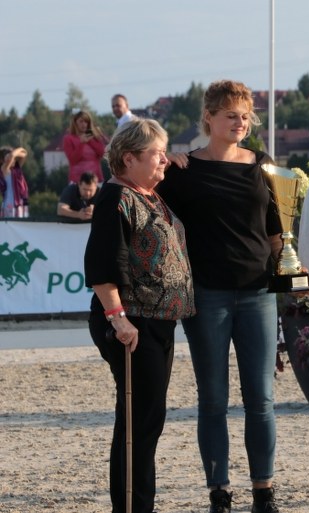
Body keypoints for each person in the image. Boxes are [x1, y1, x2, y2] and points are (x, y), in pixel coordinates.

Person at [157, 79, 285, 513]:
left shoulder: (263, 166)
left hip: (258, 294)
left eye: (245, 116)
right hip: (206, 296)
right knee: (213, 399)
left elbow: (276, 232)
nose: (240, 122)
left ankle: (264, 492)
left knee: (261, 400)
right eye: (231, 115)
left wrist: (290, 273)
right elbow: (140, 193)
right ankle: (220, 492)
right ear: (208, 118)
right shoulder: (182, 171)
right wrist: (164, 162)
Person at [85, 119, 195, 513]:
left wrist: (173, 160)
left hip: (157, 322)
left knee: (147, 421)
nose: (164, 159)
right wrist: (119, 319)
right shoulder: (116, 197)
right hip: (132, 324)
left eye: (165, 152)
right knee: (139, 424)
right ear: (129, 158)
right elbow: (102, 265)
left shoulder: (148, 194)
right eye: (156, 154)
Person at [63, 111, 107, 183]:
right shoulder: (68, 139)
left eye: (86, 122)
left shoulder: (95, 137)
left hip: (95, 178)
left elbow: (102, 153)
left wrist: (90, 140)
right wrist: (82, 143)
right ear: (75, 123)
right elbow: (73, 160)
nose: (84, 124)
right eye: (81, 121)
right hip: (77, 180)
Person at [0, 146, 29, 218]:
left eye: (15, 159)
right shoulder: (4, 169)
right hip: (10, 204)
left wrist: (21, 149)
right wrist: (15, 152)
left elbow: (24, 154)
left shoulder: (16, 168)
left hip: (20, 203)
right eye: (8, 157)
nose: (13, 160)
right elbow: (12, 155)